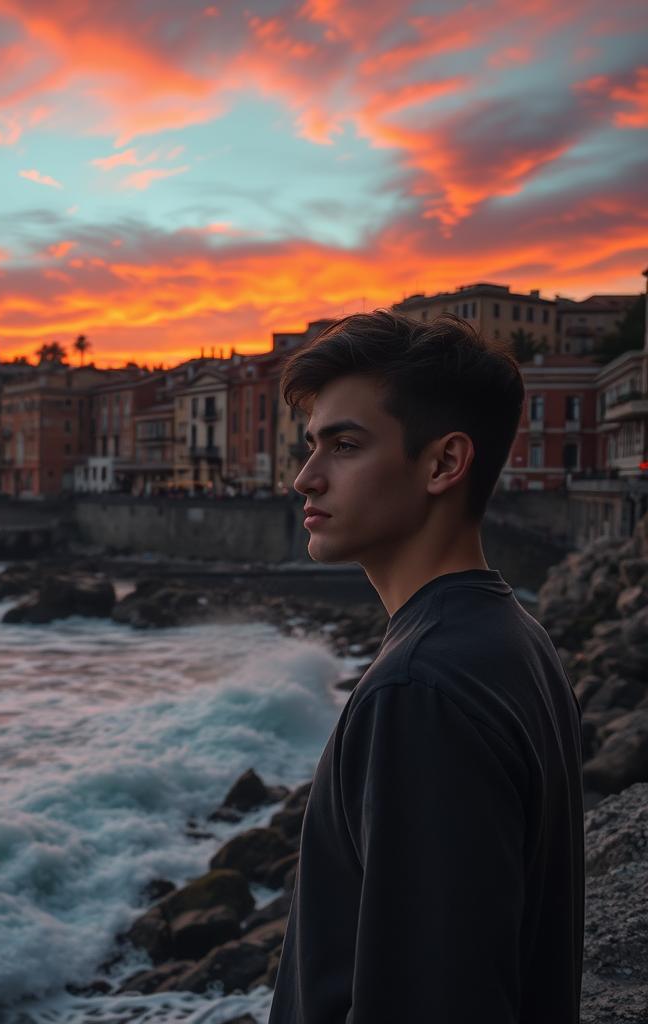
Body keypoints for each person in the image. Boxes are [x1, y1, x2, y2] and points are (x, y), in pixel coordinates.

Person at [267, 310, 584, 1024]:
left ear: (443, 463)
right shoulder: (512, 637)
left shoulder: (419, 691)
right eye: (311, 447)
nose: (305, 479)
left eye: (344, 446)